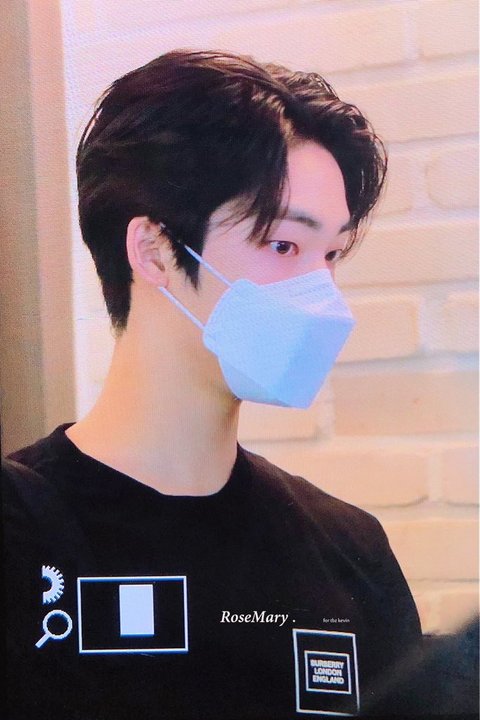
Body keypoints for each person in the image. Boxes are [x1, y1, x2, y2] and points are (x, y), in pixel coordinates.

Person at [4, 49, 422, 719]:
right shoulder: (22, 529)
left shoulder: (350, 552)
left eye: (332, 254)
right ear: (155, 251)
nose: (322, 296)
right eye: (283, 246)